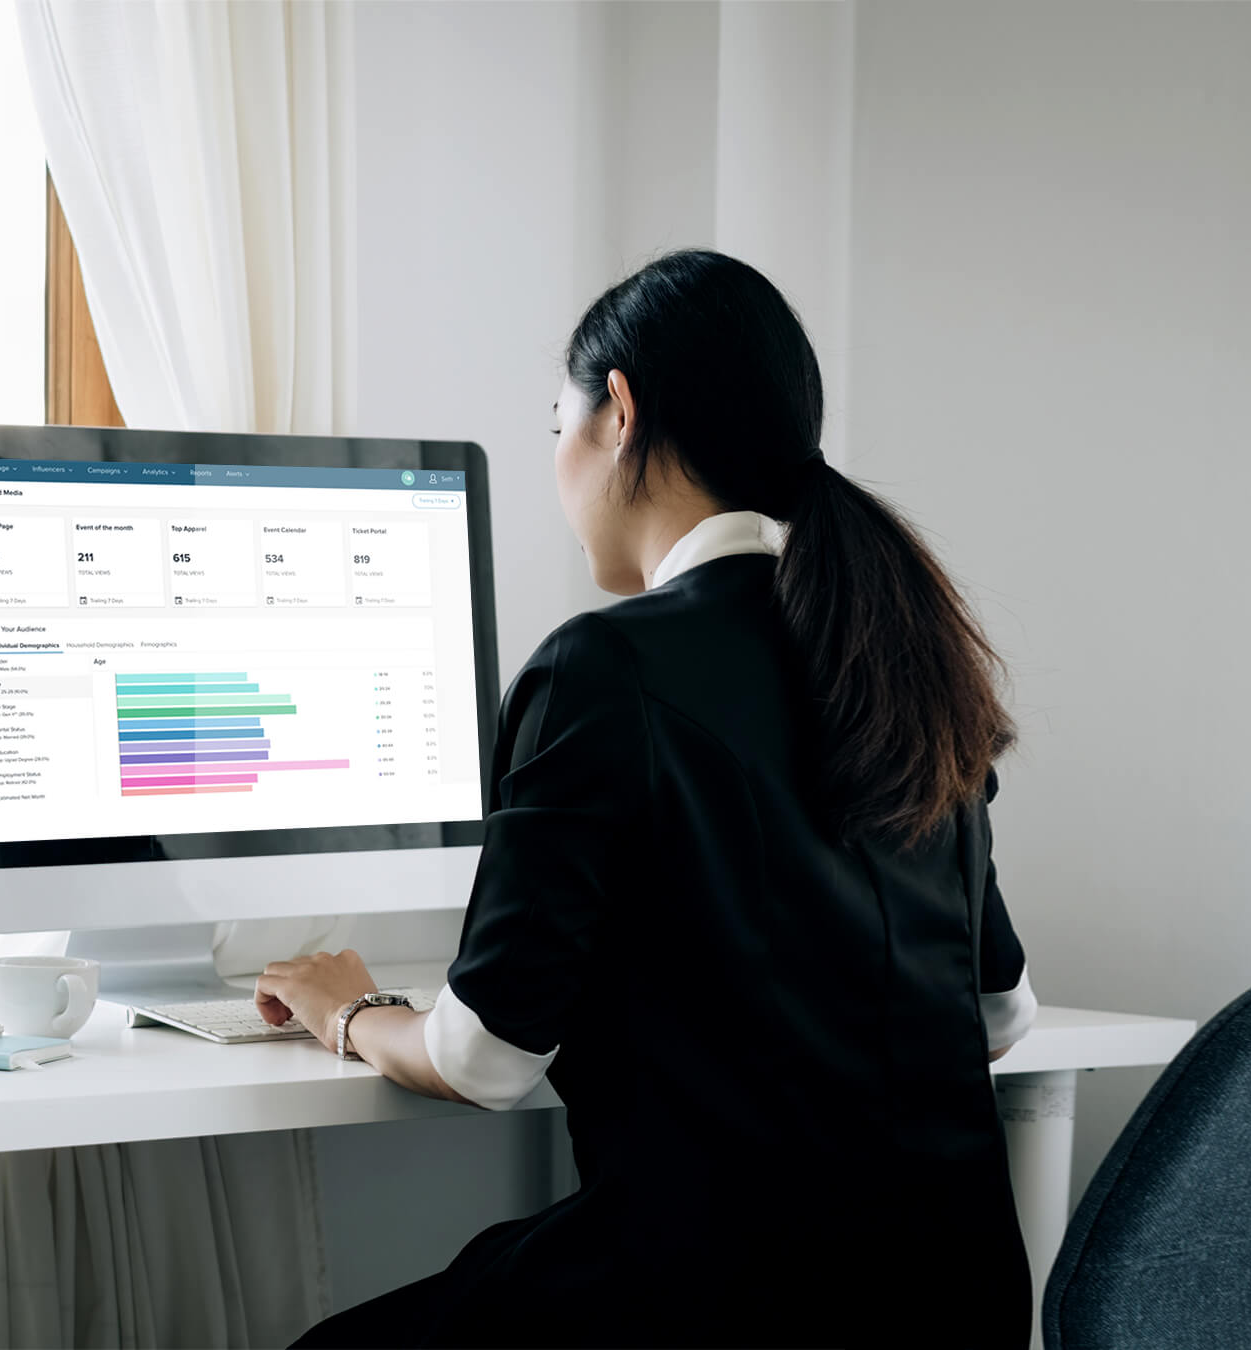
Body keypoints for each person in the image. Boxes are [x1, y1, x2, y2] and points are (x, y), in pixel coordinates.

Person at [255, 249, 1037, 1348]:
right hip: (955, 1308)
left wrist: (351, 1010)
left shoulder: (603, 670)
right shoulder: (894, 652)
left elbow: (485, 1059)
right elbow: (1003, 1013)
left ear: (618, 412)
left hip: (709, 1302)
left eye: (556, 424)